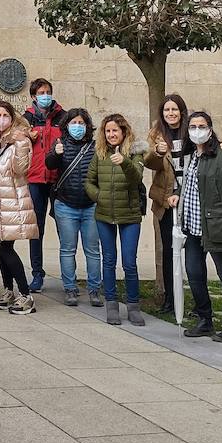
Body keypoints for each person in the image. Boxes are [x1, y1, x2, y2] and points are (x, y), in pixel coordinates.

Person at [178, 111, 222, 343]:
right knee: (195, 274)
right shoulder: (189, 155)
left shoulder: (221, 152)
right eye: (193, 126)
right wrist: (175, 195)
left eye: (202, 126)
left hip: (217, 224)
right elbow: (188, 186)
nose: (197, 130)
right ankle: (204, 319)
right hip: (192, 227)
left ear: (210, 128)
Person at [87, 113, 147, 327]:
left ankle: (133, 305)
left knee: (129, 262)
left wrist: (124, 162)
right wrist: (99, 196)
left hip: (129, 215)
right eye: (108, 131)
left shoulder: (135, 152)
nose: (111, 134)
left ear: (124, 132)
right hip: (104, 214)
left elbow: (137, 178)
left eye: (115, 130)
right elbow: (89, 182)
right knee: (109, 260)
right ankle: (111, 304)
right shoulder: (99, 153)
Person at [46, 107, 102, 308]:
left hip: (90, 206)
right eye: (73, 123)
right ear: (66, 126)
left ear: (87, 126)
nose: (77, 127)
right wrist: (56, 154)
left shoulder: (96, 147)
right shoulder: (60, 144)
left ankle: (95, 290)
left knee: (93, 250)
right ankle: (70, 288)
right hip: (66, 205)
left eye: (81, 123)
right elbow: (49, 164)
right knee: (68, 249)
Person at [0, 100, 38, 315]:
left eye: (5, 115)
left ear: (12, 117)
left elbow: (20, 169)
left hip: (13, 201)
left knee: (6, 248)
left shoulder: (20, 139)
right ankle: (8, 289)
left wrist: (20, 144)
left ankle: (26, 295)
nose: (1, 119)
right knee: (1, 247)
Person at [144, 93, 190, 314]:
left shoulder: (192, 133)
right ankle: (170, 299)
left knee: (191, 253)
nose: (170, 113)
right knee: (169, 252)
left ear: (181, 111)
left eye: (174, 109)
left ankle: (195, 300)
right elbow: (150, 164)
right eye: (166, 110)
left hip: (190, 200)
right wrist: (157, 152)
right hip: (165, 201)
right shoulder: (156, 135)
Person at [21, 79, 64, 293]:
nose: (45, 95)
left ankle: (68, 275)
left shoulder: (62, 117)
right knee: (36, 229)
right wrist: (26, 136)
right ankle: (37, 274)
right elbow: (14, 142)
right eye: (41, 92)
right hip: (35, 178)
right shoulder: (26, 118)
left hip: (58, 179)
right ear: (34, 96)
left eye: (48, 91)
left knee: (64, 226)